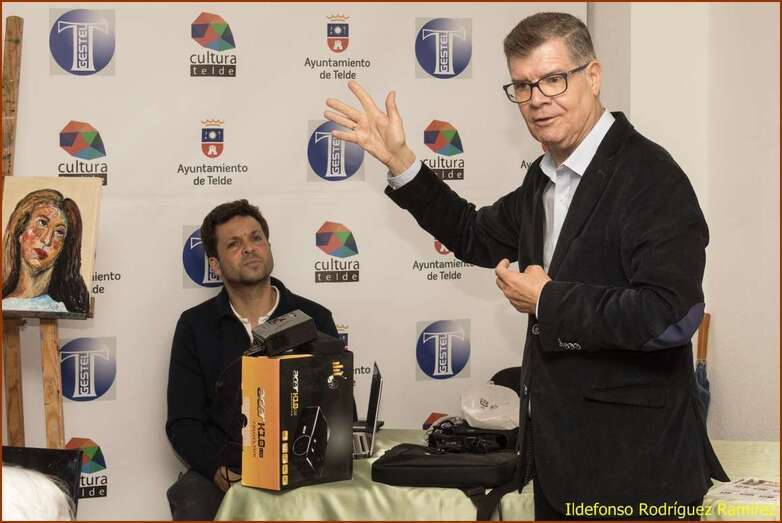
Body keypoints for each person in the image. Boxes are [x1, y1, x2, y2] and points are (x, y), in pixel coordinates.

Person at [324, 11, 727, 521]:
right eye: (522, 85)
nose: (537, 99)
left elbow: (671, 314)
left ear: (594, 76)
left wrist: (547, 300)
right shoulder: (545, 179)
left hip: (636, 471)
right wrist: (403, 162)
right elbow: (473, 233)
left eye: (553, 79)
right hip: (562, 467)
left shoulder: (650, 176)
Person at [165, 199, 339, 520]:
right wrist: (218, 471)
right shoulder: (195, 326)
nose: (249, 248)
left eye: (256, 238)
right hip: (227, 468)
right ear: (215, 265)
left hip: (302, 466)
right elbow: (183, 423)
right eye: (234, 243)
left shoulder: (313, 317)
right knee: (191, 499)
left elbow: (339, 408)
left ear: (268, 247)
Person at [2, 188, 89, 314]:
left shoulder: (62, 309)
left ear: (63, 248)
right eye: (42, 223)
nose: (47, 240)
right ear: (21, 230)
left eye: (59, 232)